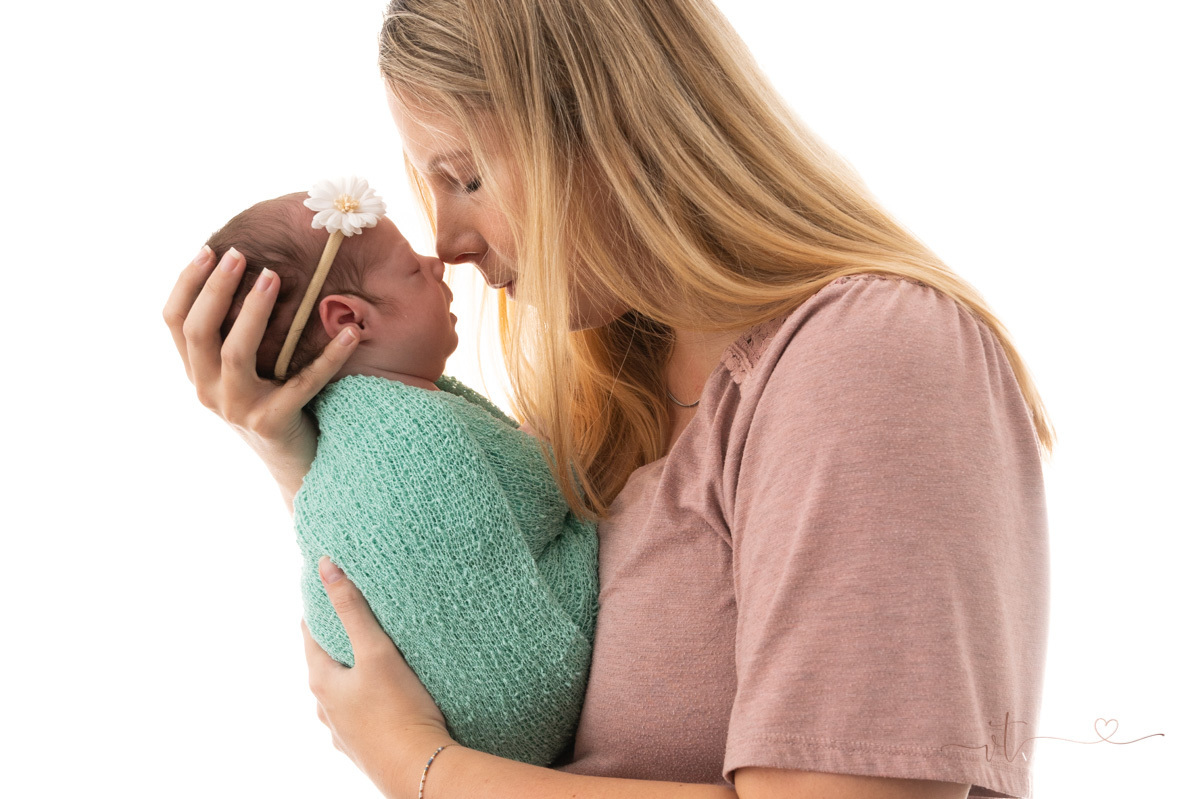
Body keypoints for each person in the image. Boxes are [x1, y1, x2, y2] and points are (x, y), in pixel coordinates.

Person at [163, 1, 1053, 797]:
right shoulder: (600, 409)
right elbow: (453, 639)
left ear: (611, 131)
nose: (448, 239)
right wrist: (306, 446)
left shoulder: (869, 355)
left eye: (467, 176)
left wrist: (414, 765)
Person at [204, 186, 599, 767]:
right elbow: (512, 700)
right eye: (414, 269)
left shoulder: (380, 428)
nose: (440, 262)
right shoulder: (403, 448)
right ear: (349, 319)